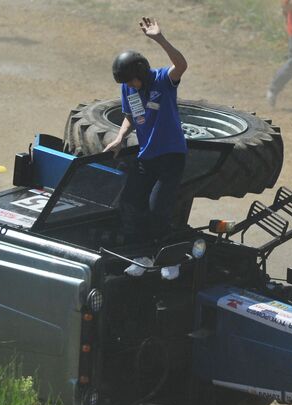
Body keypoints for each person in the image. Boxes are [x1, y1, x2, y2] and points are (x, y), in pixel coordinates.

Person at [103, 17, 188, 279]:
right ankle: (141, 256)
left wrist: (159, 39)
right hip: (146, 156)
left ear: (141, 73)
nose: (129, 85)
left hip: (171, 156)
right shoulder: (128, 89)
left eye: (131, 80)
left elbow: (181, 65)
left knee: (157, 208)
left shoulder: (163, 80)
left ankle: (170, 259)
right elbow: (131, 115)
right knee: (130, 203)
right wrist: (119, 138)